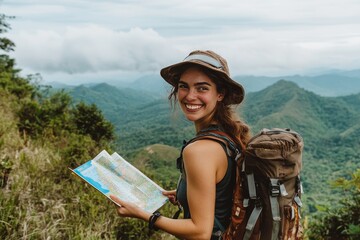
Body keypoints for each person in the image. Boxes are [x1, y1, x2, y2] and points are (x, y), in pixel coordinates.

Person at [110, 50, 251, 240]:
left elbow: (200, 232)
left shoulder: (199, 151)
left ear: (220, 94)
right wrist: (185, 193)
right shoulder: (230, 136)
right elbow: (225, 192)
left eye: (202, 88)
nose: (190, 96)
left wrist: (142, 214)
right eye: (184, 86)